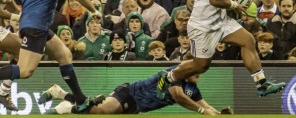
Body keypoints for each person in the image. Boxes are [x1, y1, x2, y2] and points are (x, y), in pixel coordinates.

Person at [157, 0, 286, 100]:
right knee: (201, 65)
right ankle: (168, 76)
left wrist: (230, 0)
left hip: (220, 21)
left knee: (248, 40)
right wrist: (234, 5)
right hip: (202, 25)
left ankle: (262, 84)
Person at [0, 0, 102, 111]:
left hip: (32, 25)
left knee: (64, 54)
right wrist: (93, 10)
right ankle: (3, 90)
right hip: (37, 27)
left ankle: (81, 99)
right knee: (25, 71)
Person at [38, 52, 221, 115]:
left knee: (93, 112)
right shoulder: (174, 74)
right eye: (196, 69)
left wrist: (220, 114)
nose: (199, 73)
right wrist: (202, 111)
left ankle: (61, 94)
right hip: (129, 93)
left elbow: (207, 107)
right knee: (100, 111)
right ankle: (66, 106)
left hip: (135, 108)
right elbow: (178, 96)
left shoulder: (193, 89)